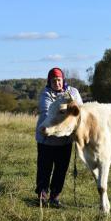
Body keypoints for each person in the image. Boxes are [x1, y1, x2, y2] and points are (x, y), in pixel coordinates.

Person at [35, 67, 83, 207]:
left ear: (63, 80)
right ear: (49, 82)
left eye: (59, 80)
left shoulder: (73, 92)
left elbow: (79, 110)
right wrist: (66, 109)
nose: (57, 83)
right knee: (44, 168)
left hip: (65, 140)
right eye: (54, 80)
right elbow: (47, 113)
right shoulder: (46, 94)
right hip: (46, 138)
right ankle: (42, 196)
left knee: (61, 169)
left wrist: (66, 111)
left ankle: (55, 197)